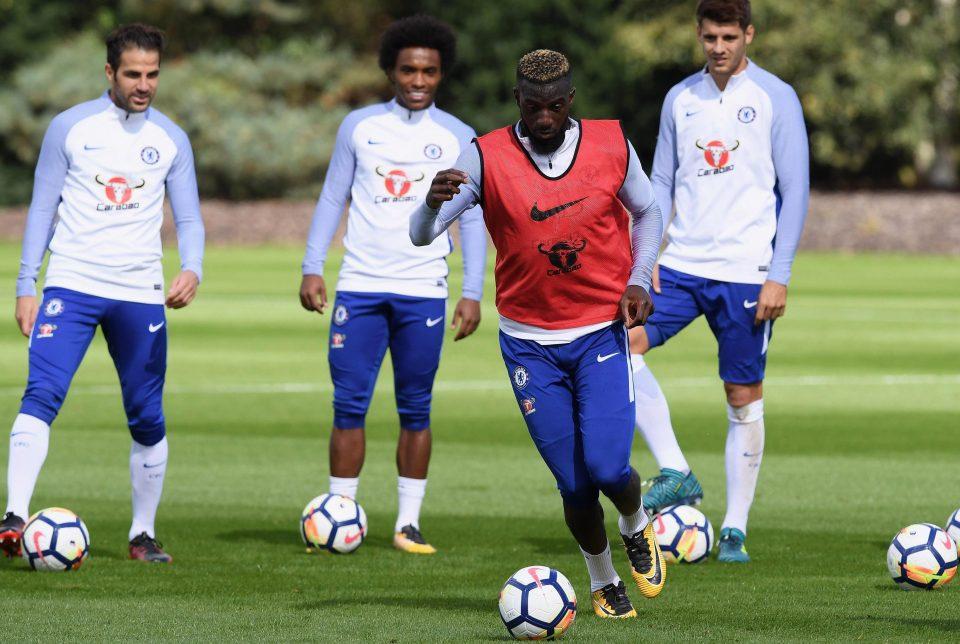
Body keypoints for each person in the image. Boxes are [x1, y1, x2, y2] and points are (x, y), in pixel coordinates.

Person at [412, 49, 665, 620]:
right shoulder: (485, 156)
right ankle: (602, 578)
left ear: (570, 101)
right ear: (517, 101)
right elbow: (422, 236)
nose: (544, 118)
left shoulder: (610, 144)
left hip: (600, 331)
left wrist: (639, 278)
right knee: (574, 484)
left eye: (554, 107)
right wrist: (429, 204)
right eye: (533, 107)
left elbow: (649, 212)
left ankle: (634, 519)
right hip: (528, 343)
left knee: (606, 470)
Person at [0, 23, 205, 563]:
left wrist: (193, 268)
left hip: (140, 291)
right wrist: (27, 285)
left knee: (146, 414)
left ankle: (142, 534)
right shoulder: (70, 127)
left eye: (153, 74)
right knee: (41, 393)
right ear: (110, 72)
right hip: (71, 282)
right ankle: (14, 518)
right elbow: (42, 210)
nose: (144, 85)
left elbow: (188, 216)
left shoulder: (170, 139)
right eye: (133, 74)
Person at [629, 0, 809, 563]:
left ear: (748, 35)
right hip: (680, 264)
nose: (719, 47)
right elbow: (660, 177)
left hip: (747, 271)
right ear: (699, 36)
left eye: (729, 36)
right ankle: (677, 469)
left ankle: (734, 527)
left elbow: (796, 190)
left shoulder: (776, 97)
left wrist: (778, 274)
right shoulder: (679, 98)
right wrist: (648, 251)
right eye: (709, 36)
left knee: (741, 396)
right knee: (618, 344)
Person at [299, 15, 486, 555]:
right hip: (359, 286)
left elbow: (470, 218)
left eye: (429, 70)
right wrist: (314, 265)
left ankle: (408, 523)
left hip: (423, 291)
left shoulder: (458, 136)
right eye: (408, 69)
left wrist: (472, 290)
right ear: (390, 71)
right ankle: (338, 513)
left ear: (441, 73)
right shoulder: (359, 126)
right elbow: (333, 198)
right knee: (348, 405)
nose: (419, 80)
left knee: (416, 408)